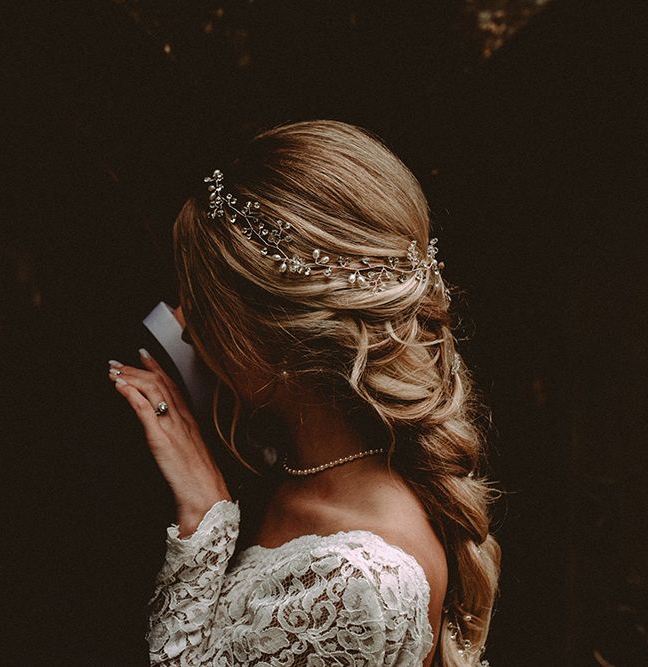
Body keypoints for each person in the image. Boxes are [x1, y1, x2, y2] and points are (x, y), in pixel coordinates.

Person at [107, 120, 501, 666]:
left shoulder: (362, 583)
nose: (186, 327)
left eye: (201, 301)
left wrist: (203, 521)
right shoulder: (293, 461)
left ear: (271, 330)